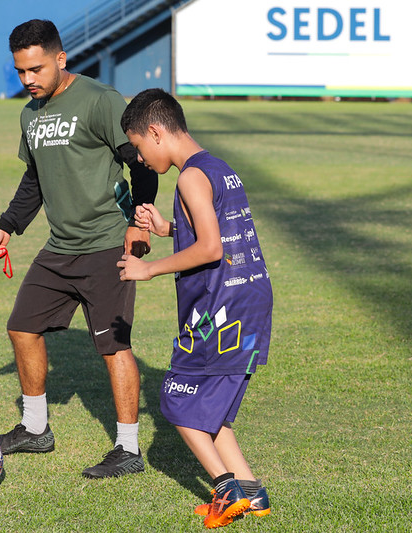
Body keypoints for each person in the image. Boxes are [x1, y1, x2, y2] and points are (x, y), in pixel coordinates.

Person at [0, 19, 157, 479]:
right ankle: (35, 429)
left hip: (106, 244)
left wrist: (141, 221)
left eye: (36, 69)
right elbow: (35, 179)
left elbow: (141, 161)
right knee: (21, 327)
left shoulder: (100, 101)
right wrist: (6, 226)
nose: (28, 80)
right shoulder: (30, 114)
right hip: (60, 247)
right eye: (21, 72)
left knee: (114, 347)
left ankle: (128, 448)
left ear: (61, 58)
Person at [117, 88, 273, 528]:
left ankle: (227, 490)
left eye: (141, 147)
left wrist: (148, 270)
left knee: (176, 400)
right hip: (248, 298)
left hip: (220, 309)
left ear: (156, 131)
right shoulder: (216, 168)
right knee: (210, 409)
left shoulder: (189, 177)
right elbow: (209, 232)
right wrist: (167, 228)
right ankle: (253, 494)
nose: (142, 160)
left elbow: (209, 247)